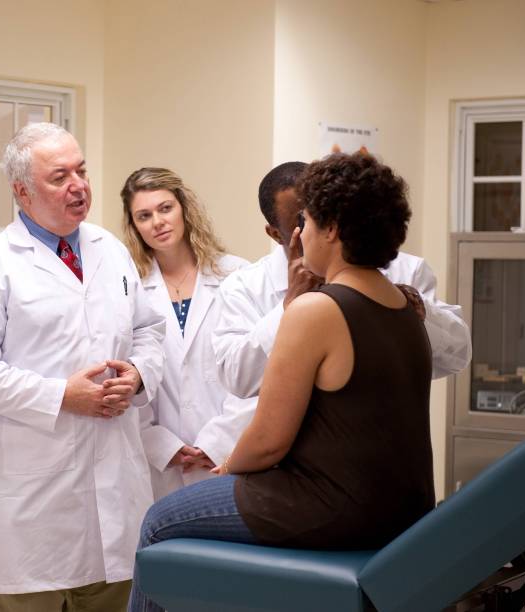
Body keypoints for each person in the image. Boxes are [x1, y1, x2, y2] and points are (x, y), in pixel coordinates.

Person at [130, 154, 436, 612]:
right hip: (401, 506)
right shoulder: (403, 304)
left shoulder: (316, 309)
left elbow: (270, 441)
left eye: (306, 221)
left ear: (331, 229)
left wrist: (230, 465)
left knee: (159, 520)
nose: (298, 236)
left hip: (334, 508)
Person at [0, 123, 165, 612]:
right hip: (36, 498)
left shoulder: (110, 250)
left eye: (82, 170)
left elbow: (150, 330)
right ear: (21, 190)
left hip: (117, 486)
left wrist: (137, 374)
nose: (79, 185)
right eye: (60, 176)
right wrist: (61, 395)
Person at [212, 161, 471, 400]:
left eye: (324, 213)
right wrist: (288, 306)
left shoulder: (404, 270)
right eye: (300, 221)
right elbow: (240, 381)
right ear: (275, 233)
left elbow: (458, 355)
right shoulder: (244, 287)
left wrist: (415, 311)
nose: (325, 227)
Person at [120, 167, 251, 499]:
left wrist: (218, 442)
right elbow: (126, 376)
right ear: (134, 226)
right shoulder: (128, 288)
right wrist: (162, 446)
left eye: (166, 208)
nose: (158, 222)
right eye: (144, 215)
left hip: (232, 455)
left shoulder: (237, 276)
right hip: (161, 465)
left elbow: (256, 374)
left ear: (184, 208)